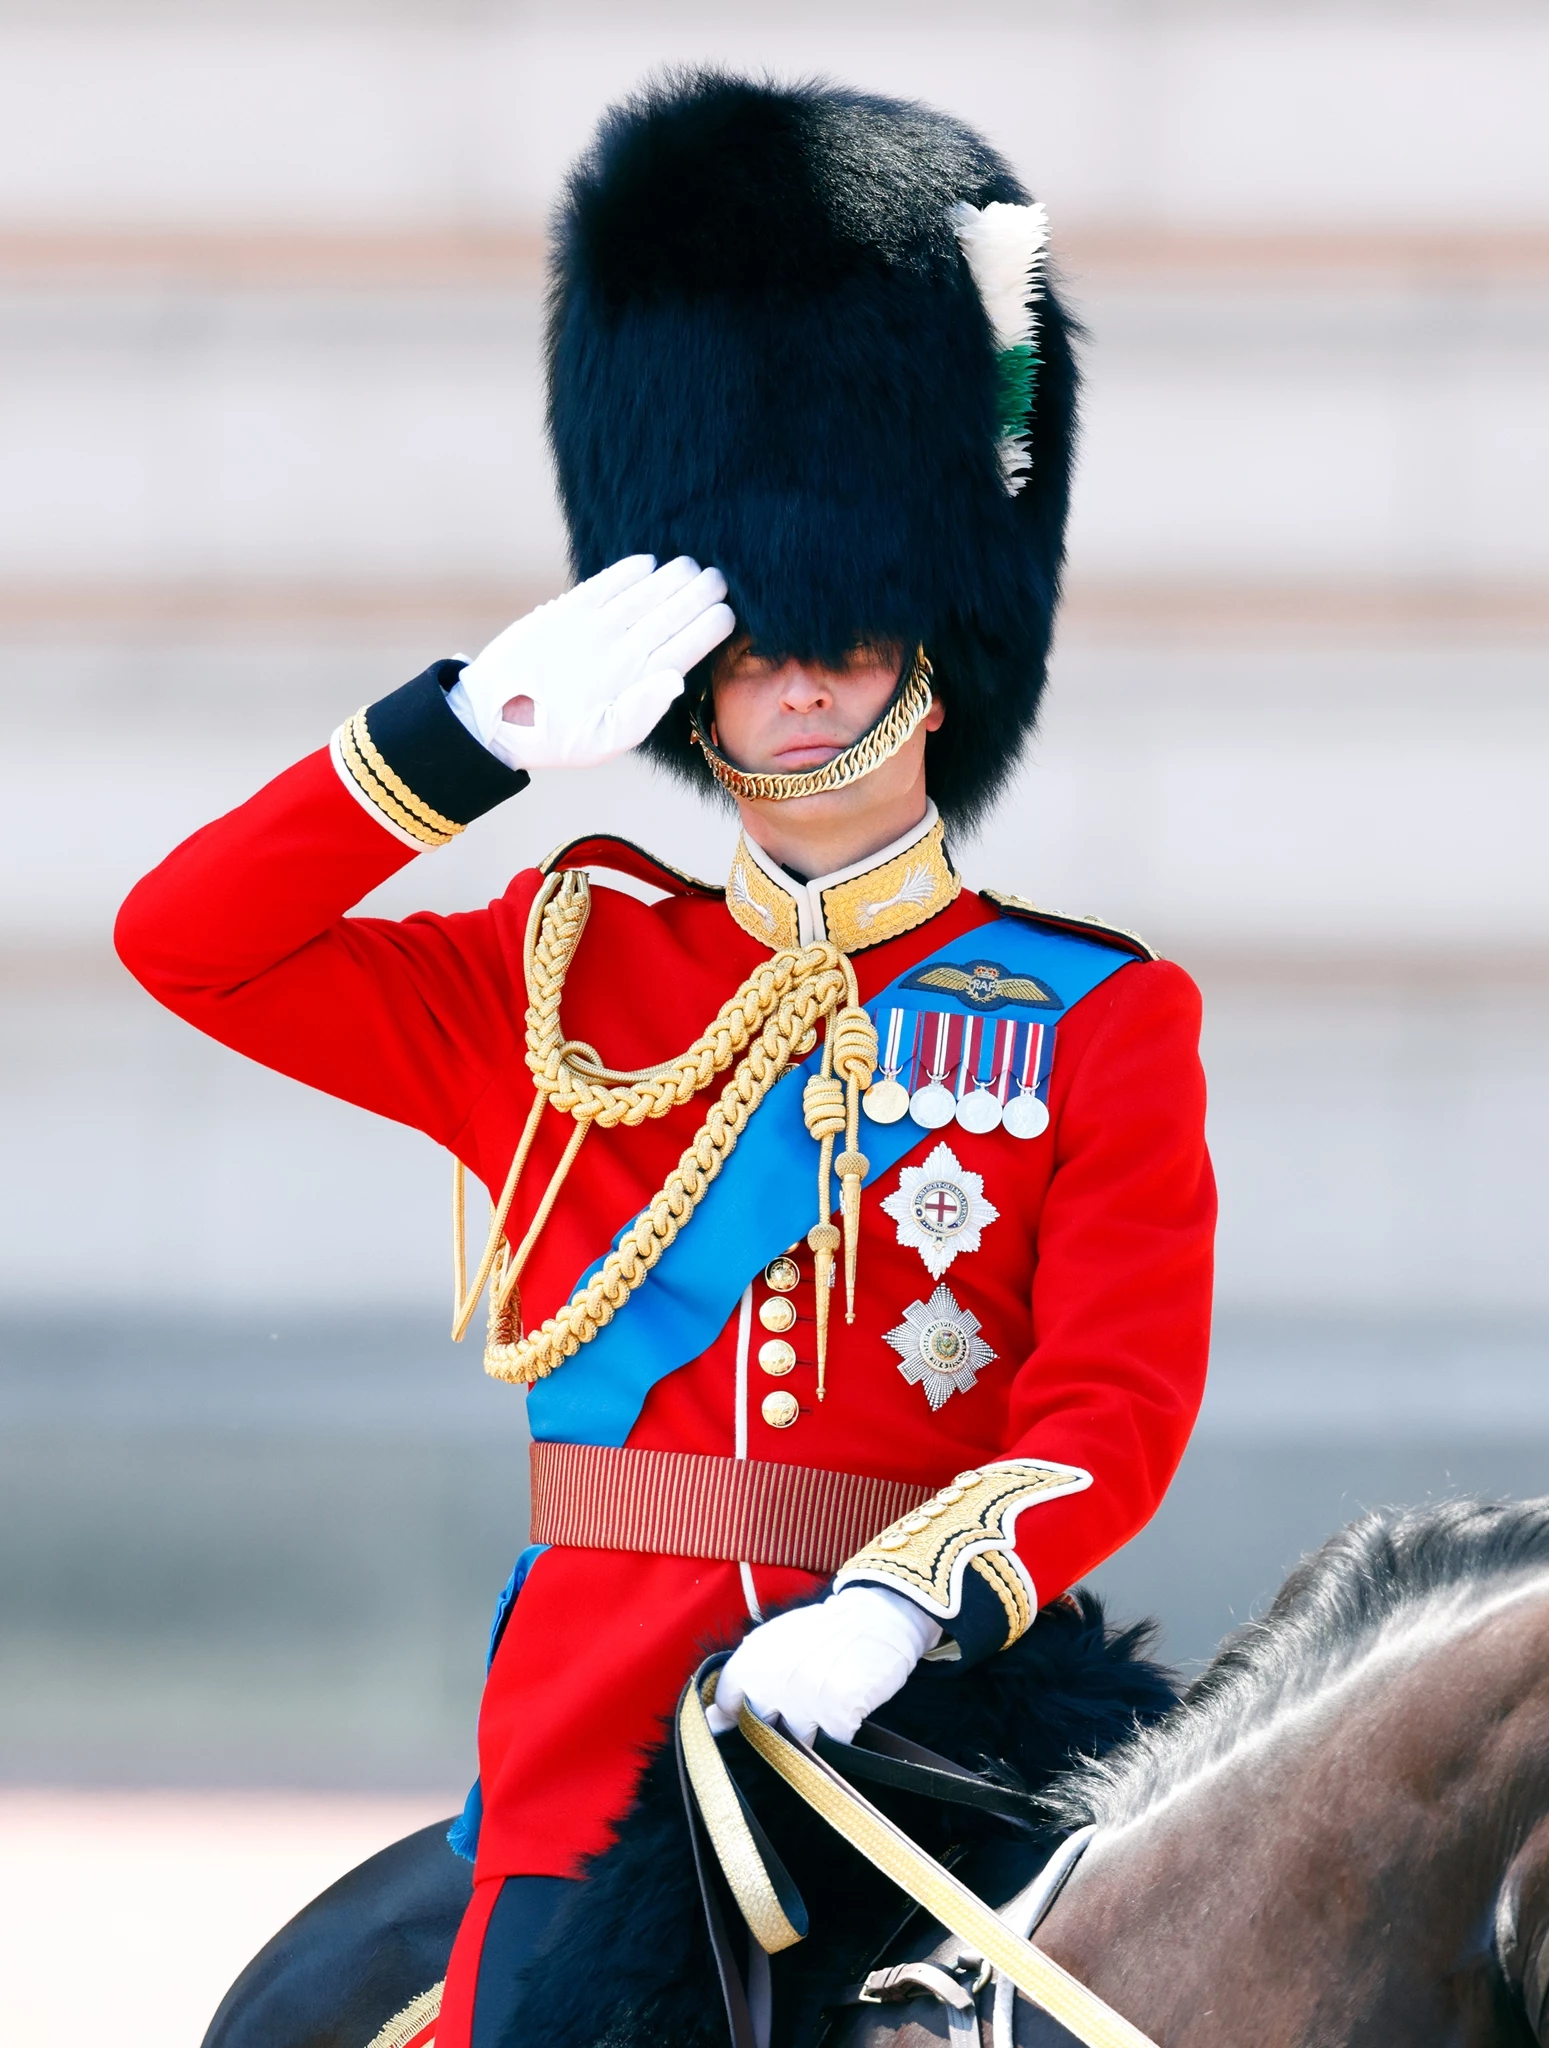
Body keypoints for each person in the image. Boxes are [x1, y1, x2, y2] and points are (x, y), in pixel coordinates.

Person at [117, 72, 1215, 2048]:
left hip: (934, 1707)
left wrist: (906, 1600)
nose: (796, 685)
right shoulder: (562, 971)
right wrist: (463, 741)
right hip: (601, 1724)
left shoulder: (1097, 1019)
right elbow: (183, 938)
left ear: (940, 654)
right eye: (747, 646)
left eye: (848, 638)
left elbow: (1111, 1402)